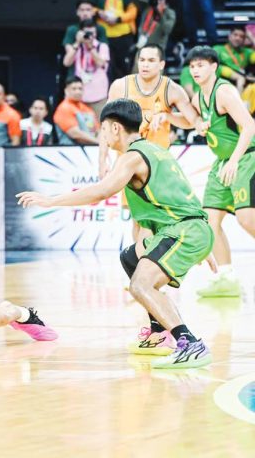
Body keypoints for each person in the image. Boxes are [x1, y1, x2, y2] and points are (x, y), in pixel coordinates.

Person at [18, 98, 215, 369]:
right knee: (130, 258)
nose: (103, 136)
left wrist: (50, 201)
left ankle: (189, 343)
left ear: (113, 128)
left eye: (102, 130)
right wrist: (204, 244)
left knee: (140, 285)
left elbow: (101, 191)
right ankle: (159, 333)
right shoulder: (156, 150)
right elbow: (181, 197)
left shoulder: (131, 157)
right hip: (189, 229)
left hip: (184, 231)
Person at [187, 46, 255, 298]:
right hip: (222, 162)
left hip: (246, 157)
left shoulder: (224, 91)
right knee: (210, 221)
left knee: (246, 219)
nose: (195, 70)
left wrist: (234, 160)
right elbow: (190, 119)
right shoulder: (197, 97)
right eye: (192, 66)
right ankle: (226, 279)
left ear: (214, 67)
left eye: (201, 65)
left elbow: (249, 125)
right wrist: (170, 117)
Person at [99, 44, 201, 177]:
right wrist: (102, 161)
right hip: (127, 161)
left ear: (161, 64)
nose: (145, 65)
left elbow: (192, 121)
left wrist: (167, 116)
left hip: (158, 160)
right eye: (142, 60)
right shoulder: (120, 86)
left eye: (151, 61)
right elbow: (106, 127)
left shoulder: (172, 89)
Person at [61, 19, 110, 118]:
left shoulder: (102, 46)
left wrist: (91, 47)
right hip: (79, 95)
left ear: (96, 33)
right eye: (86, 32)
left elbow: (101, 63)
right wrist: (77, 43)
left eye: (92, 33)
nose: (89, 35)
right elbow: (66, 62)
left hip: (98, 95)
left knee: (99, 124)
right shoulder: (77, 46)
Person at [92, 0, 138, 80]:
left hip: (123, 35)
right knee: (108, 65)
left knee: (124, 65)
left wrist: (119, 19)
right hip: (104, 36)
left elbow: (133, 11)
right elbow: (88, 6)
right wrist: (99, 12)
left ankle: (126, 88)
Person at [131, 0, 175, 71]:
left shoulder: (169, 13)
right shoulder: (148, 10)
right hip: (142, 48)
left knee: (155, 78)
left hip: (157, 50)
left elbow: (166, 30)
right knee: (136, 75)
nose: (158, 1)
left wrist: (160, 14)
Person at [53, 76, 99, 145]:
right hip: (71, 151)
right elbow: (75, 134)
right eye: (74, 89)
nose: (78, 92)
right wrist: (98, 142)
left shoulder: (87, 109)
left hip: (91, 149)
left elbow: (97, 130)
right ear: (66, 91)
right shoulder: (63, 108)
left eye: (80, 89)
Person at [213, 26, 255, 93]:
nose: (238, 38)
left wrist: (252, 38)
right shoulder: (218, 49)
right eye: (235, 35)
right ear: (229, 36)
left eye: (241, 37)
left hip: (242, 85)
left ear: (244, 40)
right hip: (223, 85)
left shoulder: (247, 52)